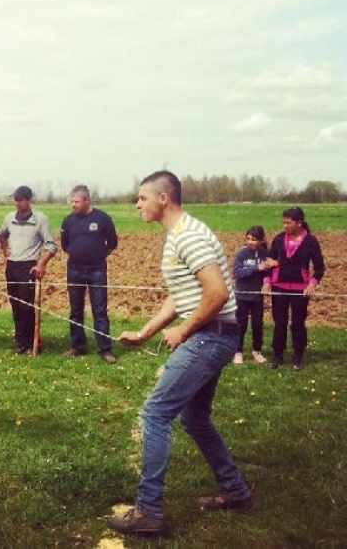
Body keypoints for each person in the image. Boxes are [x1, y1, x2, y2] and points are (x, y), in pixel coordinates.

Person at [109, 170, 252, 535]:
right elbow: (181, 295)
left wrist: (185, 330)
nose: (137, 203)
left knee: (155, 413)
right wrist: (145, 333)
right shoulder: (177, 237)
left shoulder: (189, 236)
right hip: (211, 336)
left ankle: (149, 512)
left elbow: (217, 293)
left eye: (141, 197)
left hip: (210, 337)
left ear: (163, 199)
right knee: (195, 419)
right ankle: (235, 492)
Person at [262, 207, 325, 371]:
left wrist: (312, 284)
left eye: (288, 223)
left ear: (299, 223)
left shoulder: (311, 241)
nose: (285, 226)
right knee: (279, 322)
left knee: (298, 323)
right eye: (283, 222)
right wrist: (267, 281)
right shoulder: (278, 239)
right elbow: (269, 261)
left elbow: (319, 268)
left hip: (300, 289)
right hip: (279, 287)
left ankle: (298, 355)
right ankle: (277, 355)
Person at [60, 185, 118, 363]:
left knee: (99, 310)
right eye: (72, 202)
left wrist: (98, 255)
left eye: (76, 202)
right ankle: (78, 346)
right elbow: (65, 245)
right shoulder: (68, 221)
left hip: (97, 270)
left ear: (87, 200)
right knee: (75, 310)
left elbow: (112, 243)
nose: (73, 205)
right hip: (74, 270)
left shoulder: (102, 218)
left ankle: (105, 350)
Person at [0, 186, 58, 354]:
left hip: (29, 266)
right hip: (12, 266)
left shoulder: (40, 219)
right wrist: (4, 249)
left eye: (20, 200)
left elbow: (51, 245)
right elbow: (1, 234)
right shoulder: (10, 218)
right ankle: (20, 344)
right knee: (16, 306)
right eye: (15, 200)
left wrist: (42, 264)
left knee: (27, 307)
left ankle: (33, 343)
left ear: (29, 200)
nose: (17, 204)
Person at [232, 226, 270, 364]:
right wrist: (256, 268)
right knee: (241, 324)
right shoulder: (242, 254)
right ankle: (238, 351)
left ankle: (257, 350)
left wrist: (266, 282)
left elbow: (268, 272)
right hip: (242, 295)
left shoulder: (266, 254)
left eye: (254, 240)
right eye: (248, 239)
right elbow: (237, 273)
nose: (250, 242)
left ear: (261, 240)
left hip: (257, 296)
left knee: (257, 324)